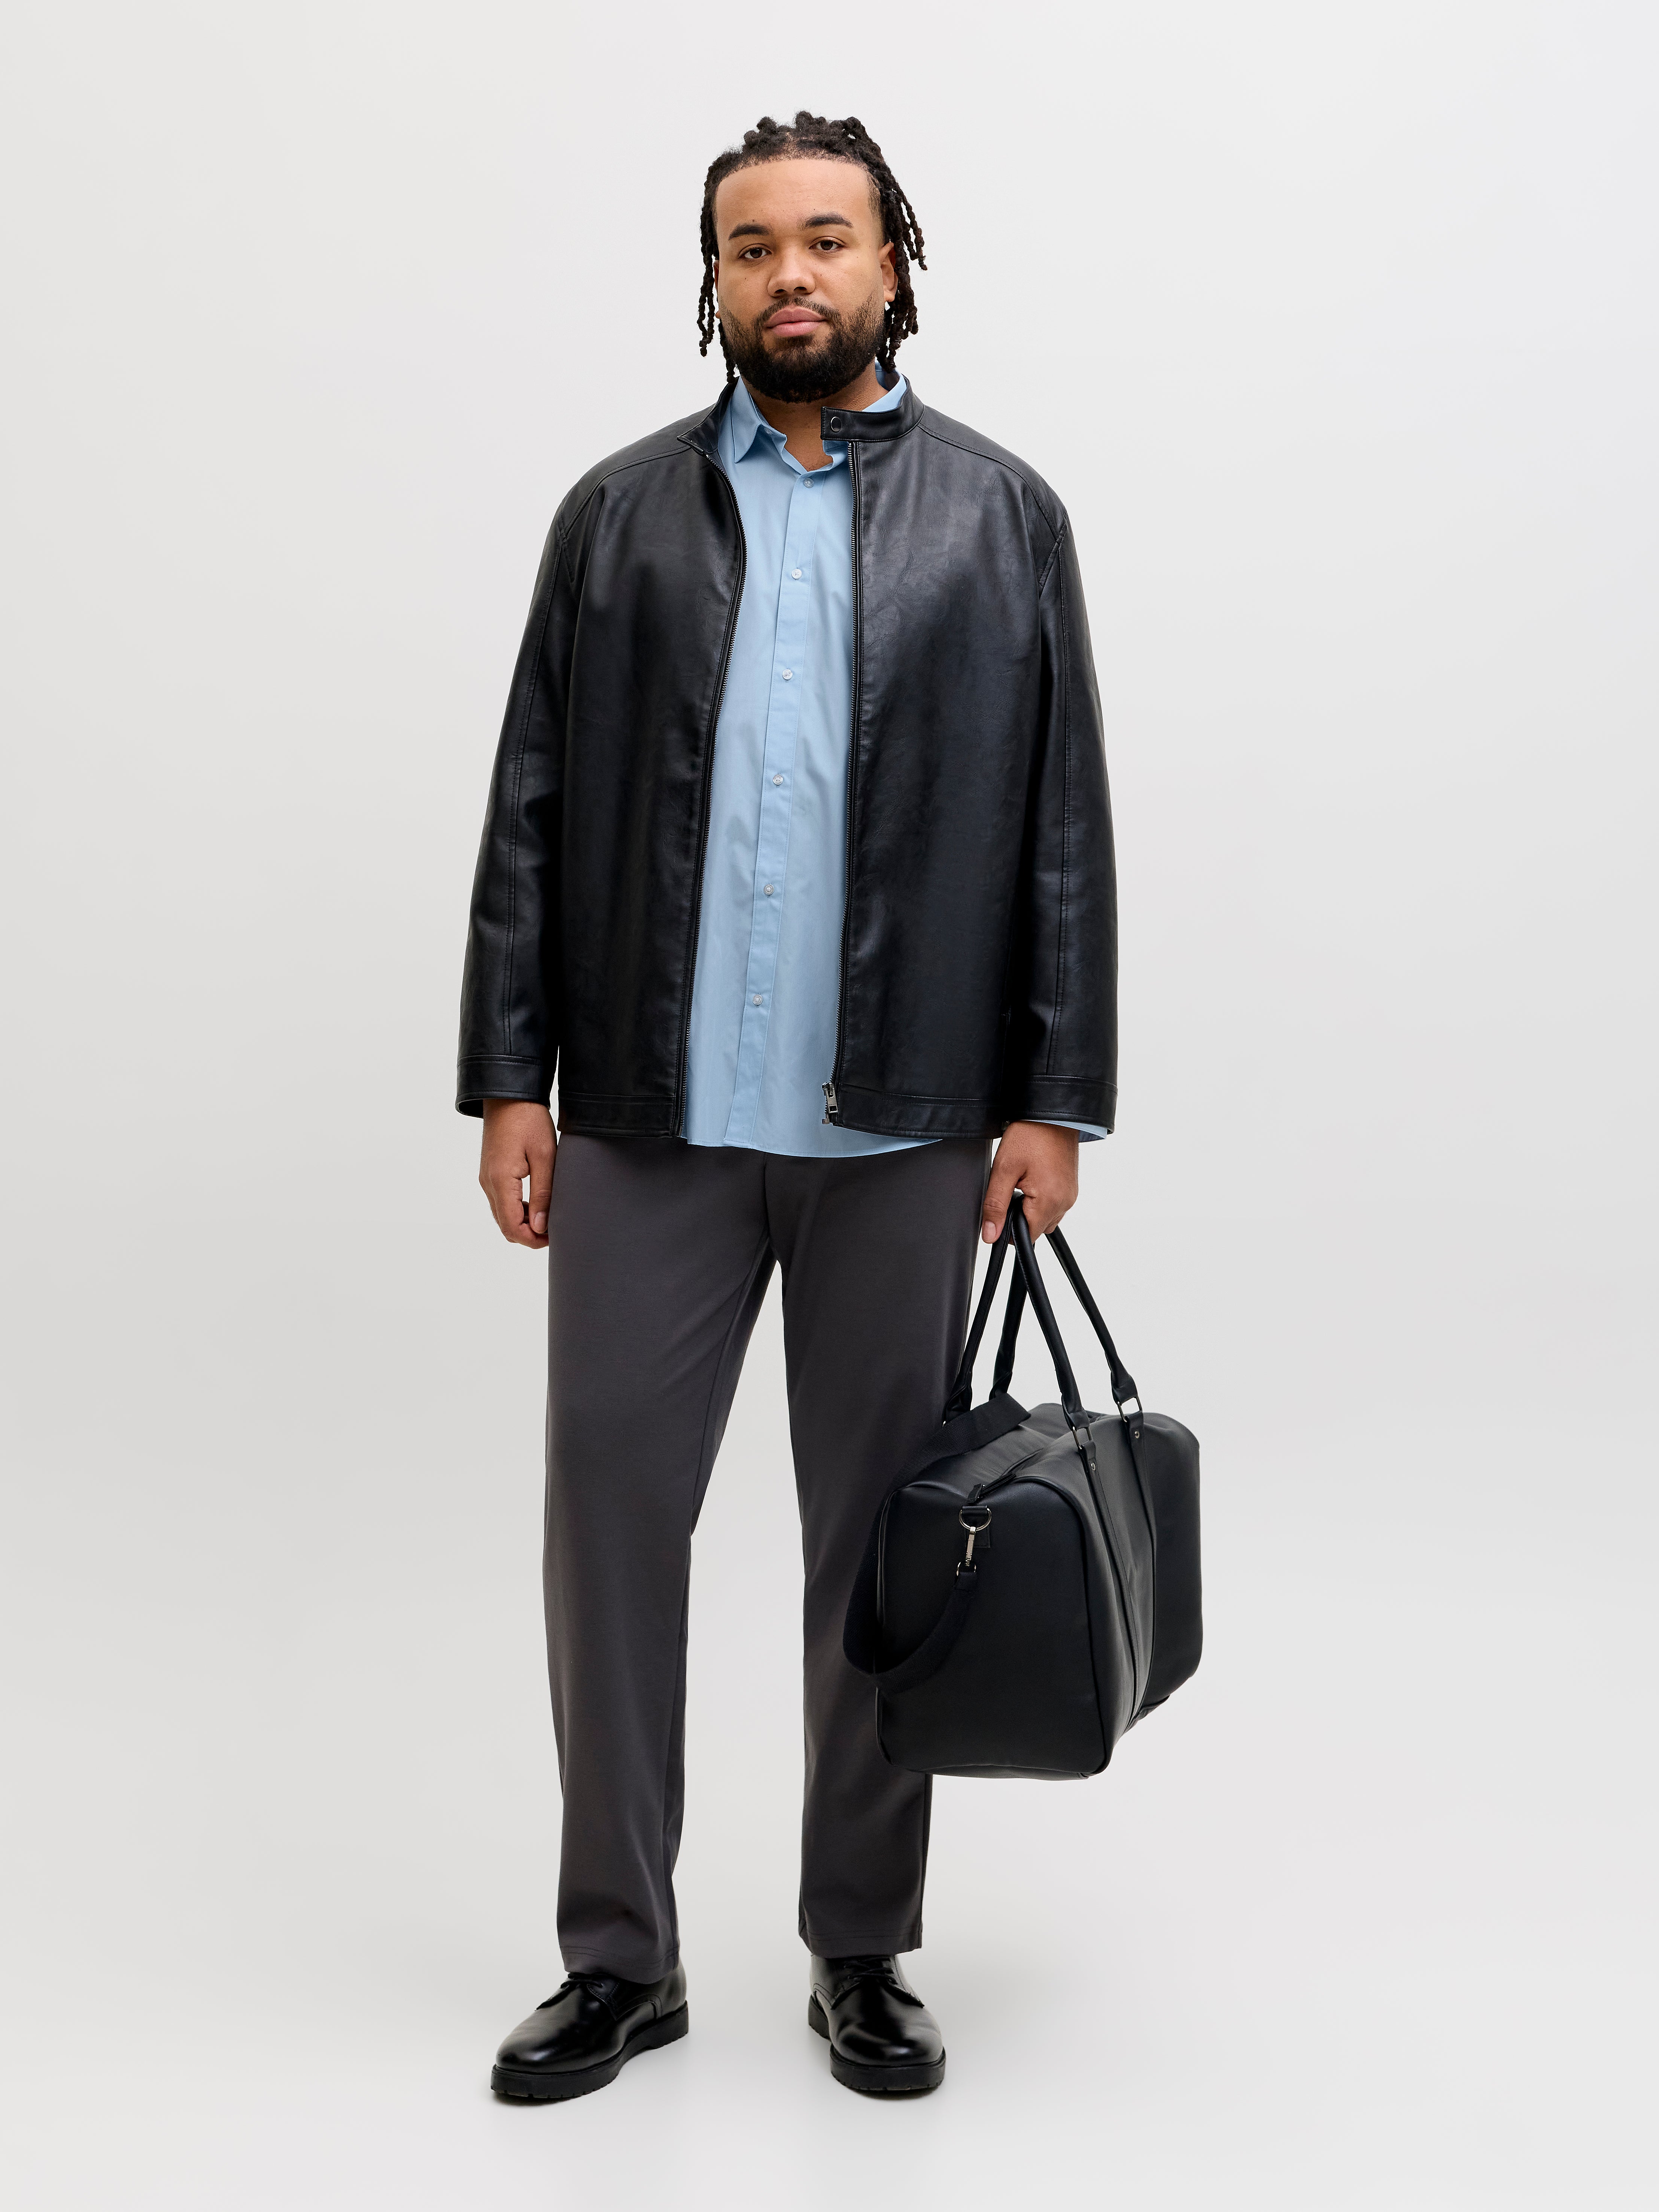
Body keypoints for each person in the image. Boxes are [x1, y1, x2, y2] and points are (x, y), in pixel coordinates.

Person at [458, 110, 1116, 2102]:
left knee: (882, 1552)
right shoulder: (616, 517)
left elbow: (1059, 821)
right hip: (646, 1115)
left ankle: (861, 1946)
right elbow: (531, 805)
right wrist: (508, 1074)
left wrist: (1053, 1093)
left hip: (907, 1123)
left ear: (893, 262)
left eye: (828, 239)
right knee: (607, 1527)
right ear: (717, 282)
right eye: (754, 248)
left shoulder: (1002, 517)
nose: (792, 276)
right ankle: (618, 1956)